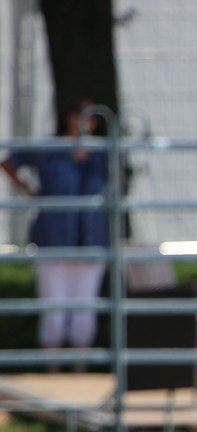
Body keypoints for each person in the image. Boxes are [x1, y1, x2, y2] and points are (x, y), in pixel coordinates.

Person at [1, 98, 108, 371]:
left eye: (92, 116)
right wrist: (27, 190)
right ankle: (53, 372)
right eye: (80, 114)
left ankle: (80, 371)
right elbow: (8, 160)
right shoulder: (50, 148)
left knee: (85, 310)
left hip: (91, 240)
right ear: (69, 117)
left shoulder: (103, 150)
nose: (86, 121)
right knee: (54, 309)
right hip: (53, 238)